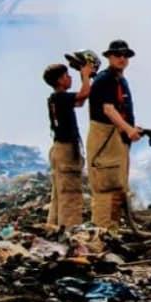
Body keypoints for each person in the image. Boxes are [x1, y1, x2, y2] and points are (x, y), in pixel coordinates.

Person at [86, 39, 143, 228]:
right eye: (118, 55)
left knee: (118, 188)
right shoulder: (105, 80)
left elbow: (121, 109)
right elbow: (108, 110)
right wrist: (128, 129)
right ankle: (100, 237)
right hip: (105, 139)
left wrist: (131, 128)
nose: (122, 58)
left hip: (117, 141)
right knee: (106, 189)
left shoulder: (120, 80)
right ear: (109, 57)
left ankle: (112, 233)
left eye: (125, 55)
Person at [43, 59, 93, 228]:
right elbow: (84, 94)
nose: (70, 79)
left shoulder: (54, 99)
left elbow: (79, 102)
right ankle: (69, 229)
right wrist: (85, 75)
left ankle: (53, 226)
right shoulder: (61, 97)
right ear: (59, 80)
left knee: (58, 193)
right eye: (67, 76)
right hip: (66, 151)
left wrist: (84, 79)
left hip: (57, 149)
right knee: (71, 193)